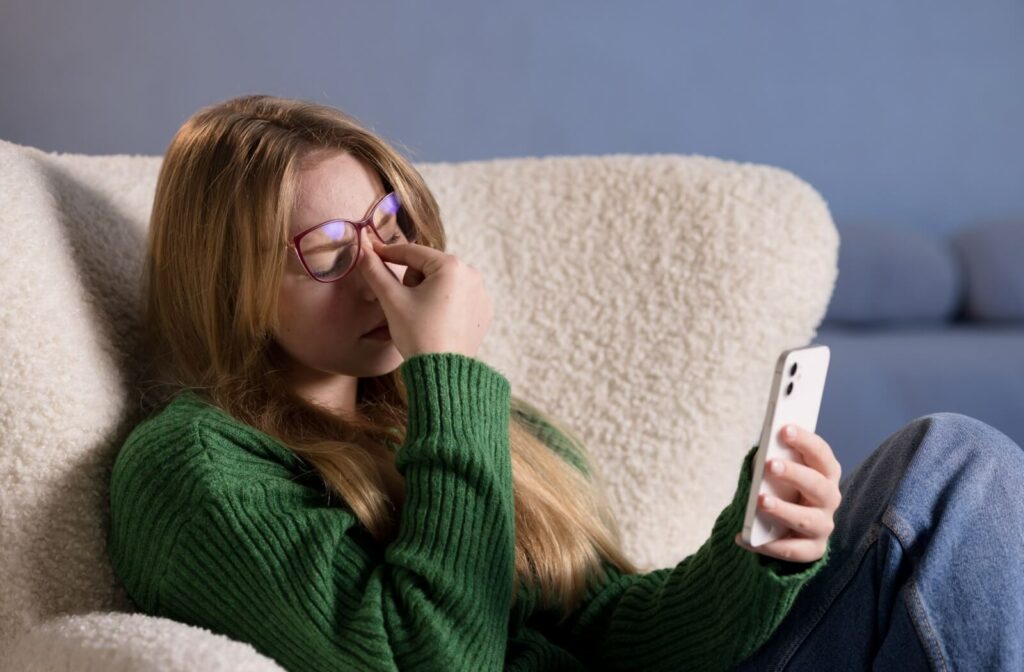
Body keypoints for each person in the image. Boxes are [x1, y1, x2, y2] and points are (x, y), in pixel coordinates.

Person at [106, 94, 1023, 671]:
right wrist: (449, 372)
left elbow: (620, 631)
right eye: (331, 250)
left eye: (387, 223)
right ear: (223, 283)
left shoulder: (446, 421)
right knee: (951, 465)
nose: (384, 269)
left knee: (946, 460)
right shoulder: (190, 466)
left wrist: (762, 552)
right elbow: (434, 662)